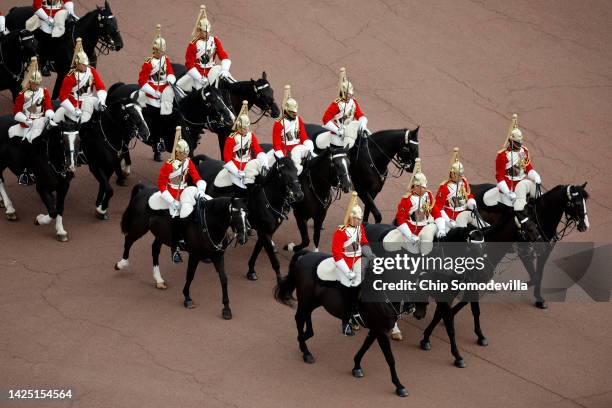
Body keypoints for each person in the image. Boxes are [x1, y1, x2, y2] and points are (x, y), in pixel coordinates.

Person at [148, 127, 209, 263]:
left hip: (185, 191)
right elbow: (161, 183)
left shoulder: (188, 162)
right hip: (171, 193)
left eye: (186, 153)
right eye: (183, 154)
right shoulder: (169, 165)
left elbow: (196, 177)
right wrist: (170, 200)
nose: (185, 156)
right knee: (176, 220)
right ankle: (174, 249)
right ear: (178, 152)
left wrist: (200, 189)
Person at [8, 57, 54, 184]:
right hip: (28, 123)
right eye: (34, 83)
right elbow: (16, 112)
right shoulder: (22, 94)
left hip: (41, 120)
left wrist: (50, 115)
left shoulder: (44, 91)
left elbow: (49, 107)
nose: (36, 86)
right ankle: (25, 172)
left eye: (38, 83)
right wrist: (26, 120)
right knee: (28, 144)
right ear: (30, 83)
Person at [331, 192, 372, 336]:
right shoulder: (340, 232)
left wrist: (370, 254)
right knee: (349, 290)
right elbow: (337, 254)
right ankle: (345, 322)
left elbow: (364, 242)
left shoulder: (360, 228)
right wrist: (347, 271)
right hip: (344, 263)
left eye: (360, 219)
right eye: (356, 218)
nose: (358, 221)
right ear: (350, 217)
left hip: (358, 260)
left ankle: (359, 310)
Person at [494, 114, 542, 227]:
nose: (519, 144)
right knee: (519, 210)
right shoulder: (502, 156)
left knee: (541, 197)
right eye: (517, 142)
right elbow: (499, 178)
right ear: (511, 141)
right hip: (510, 187)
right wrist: (507, 192)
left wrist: (535, 176)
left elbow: (527, 168)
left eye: (520, 142)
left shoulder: (523, 151)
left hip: (522, 183)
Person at [177, 5, 232, 92]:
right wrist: (199, 78)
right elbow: (189, 64)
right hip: (198, 72)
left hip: (212, 70)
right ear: (199, 30)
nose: (207, 34)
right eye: (204, 31)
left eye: (208, 31)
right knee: (201, 92)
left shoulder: (215, 40)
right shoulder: (193, 44)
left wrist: (225, 70)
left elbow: (223, 55)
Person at [54, 38, 107, 128]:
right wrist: (73, 110)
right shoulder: (70, 77)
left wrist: (101, 101)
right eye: (83, 64)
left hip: (89, 100)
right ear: (77, 63)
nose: (86, 66)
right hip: (74, 104)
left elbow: (101, 87)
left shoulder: (92, 71)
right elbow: (63, 98)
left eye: (86, 63)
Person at [220, 100, 268, 195]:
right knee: (241, 189)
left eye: (247, 128)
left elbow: (257, 149)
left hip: (249, 163)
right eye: (243, 128)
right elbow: (227, 157)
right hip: (236, 165)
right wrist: (236, 171)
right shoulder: (231, 139)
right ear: (238, 126)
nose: (245, 131)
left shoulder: (250, 135)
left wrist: (264, 162)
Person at [393, 158, 441, 255]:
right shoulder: (407, 200)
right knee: (412, 251)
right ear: (415, 186)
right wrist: (410, 235)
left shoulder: (428, 195)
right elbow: (400, 219)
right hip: (411, 228)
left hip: (426, 225)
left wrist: (442, 228)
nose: (423, 189)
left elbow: (436, 212)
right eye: (420, 187)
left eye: (424, 186)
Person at [432, 147, 483, 236]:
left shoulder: (464, 181)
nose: (460, 177)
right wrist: (448, 220)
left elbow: (468, 194)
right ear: (452, 174)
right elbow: (438, 207)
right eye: (458, 175)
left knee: (483, 224)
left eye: (461, 174)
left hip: (465, 211)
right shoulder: (444, 187)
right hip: (452, 216)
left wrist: (471, 201)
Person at [321, 67, 369, 150]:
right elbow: (325, 119)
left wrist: (363, 122)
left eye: (351, 93)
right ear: (343, 93)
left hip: (351, 128)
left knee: (367, 136)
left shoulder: (353, 101)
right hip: (339, 133)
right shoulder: (336, 104)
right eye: (349, 94)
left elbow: (359, 114)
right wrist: (337, 130)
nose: (351, 95)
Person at [270, 85, 314, 174]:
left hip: (299, 148)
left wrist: (309, 146)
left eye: (295, 111)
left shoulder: (299, 119)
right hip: (287, 151)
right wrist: (283, 158)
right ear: (286, 110)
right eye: (292, 112)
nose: (295, 114)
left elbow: (304, 137)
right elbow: (276, 145)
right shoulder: (278, 124)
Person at [26, 1, 78, 75]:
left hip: (59, 16)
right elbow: (36, 5)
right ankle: (44, 63)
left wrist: (71, 12)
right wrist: (47, 19)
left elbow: (67, 1)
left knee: (72, 29)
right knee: (49, 36)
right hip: (44, 17)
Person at [137, 24, 176, 118]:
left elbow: (170, 71)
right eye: (160, 52)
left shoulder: (165, 59)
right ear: (155, 50)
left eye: (163, 52)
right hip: (154, 88)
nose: (162, 54)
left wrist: (171, 78)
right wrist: (153, 92)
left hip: (166, 86)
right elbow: (142, 82)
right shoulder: (149, 63)